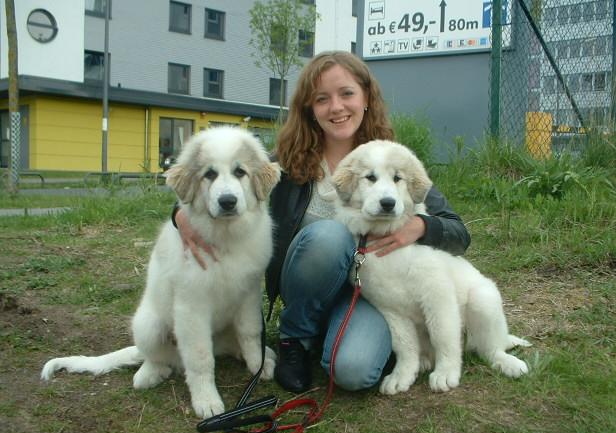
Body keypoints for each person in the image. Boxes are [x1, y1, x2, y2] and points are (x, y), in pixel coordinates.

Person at [174, 51, 470, 394]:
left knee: (355, 371)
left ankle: (345, 337)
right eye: (322, 99)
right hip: (305, 285)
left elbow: (458, 232)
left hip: (369, 294)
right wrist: (180, 214)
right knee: (331, 237)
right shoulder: (286, 163)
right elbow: (222, 178)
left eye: (347, 93)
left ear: (366, 98)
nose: (336, 107)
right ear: (309, 109)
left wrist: (422, 226)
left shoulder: (388, 160)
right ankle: (295, 340)